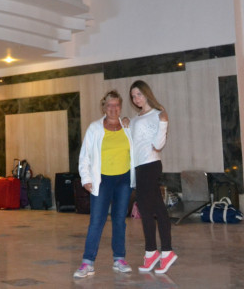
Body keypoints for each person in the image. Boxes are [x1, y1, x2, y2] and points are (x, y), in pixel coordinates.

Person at [73, 90, 135, 278]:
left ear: (121, 107)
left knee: (119, 220)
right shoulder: (94, 128)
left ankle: (119, 259)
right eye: (109, 105)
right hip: (102, 181)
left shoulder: (128, 127)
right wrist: (86, 179)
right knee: (96, 221)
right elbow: (85, 156)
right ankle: (87, 262)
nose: (113, 108)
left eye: (116, 105)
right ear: (104, 107)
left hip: (123, 180)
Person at [128, 80, 176, 274]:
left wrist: (163, 123)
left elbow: (158, 145)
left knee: (154, 209)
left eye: (139, 94)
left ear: (146, 93)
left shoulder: (157, 114)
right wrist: (126, 125)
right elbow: (132, 144)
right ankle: (152, 253)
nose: (136, 99)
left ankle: (165, 252)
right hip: (139, 167)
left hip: (150, 164)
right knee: (148, 210)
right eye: (133, 96)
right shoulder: (135, 119)